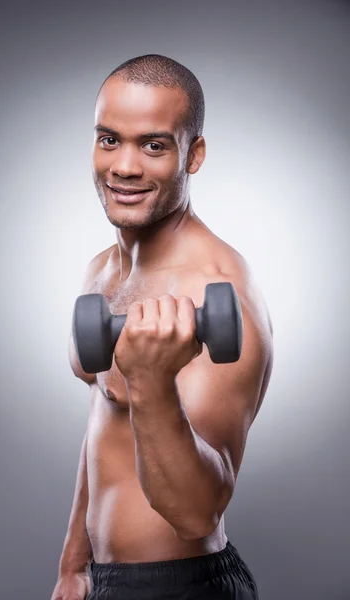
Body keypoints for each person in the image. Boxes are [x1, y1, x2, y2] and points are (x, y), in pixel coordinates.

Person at [51, 54, 273, 600]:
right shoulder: (102, 268)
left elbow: (198, 512)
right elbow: (104, 419)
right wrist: (74, 564)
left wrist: (151, 382)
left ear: (193, 155)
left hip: (181, 587)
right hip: (104, 581)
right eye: (109, 139)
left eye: (153, 145)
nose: (124, 166)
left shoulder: (217, 290)